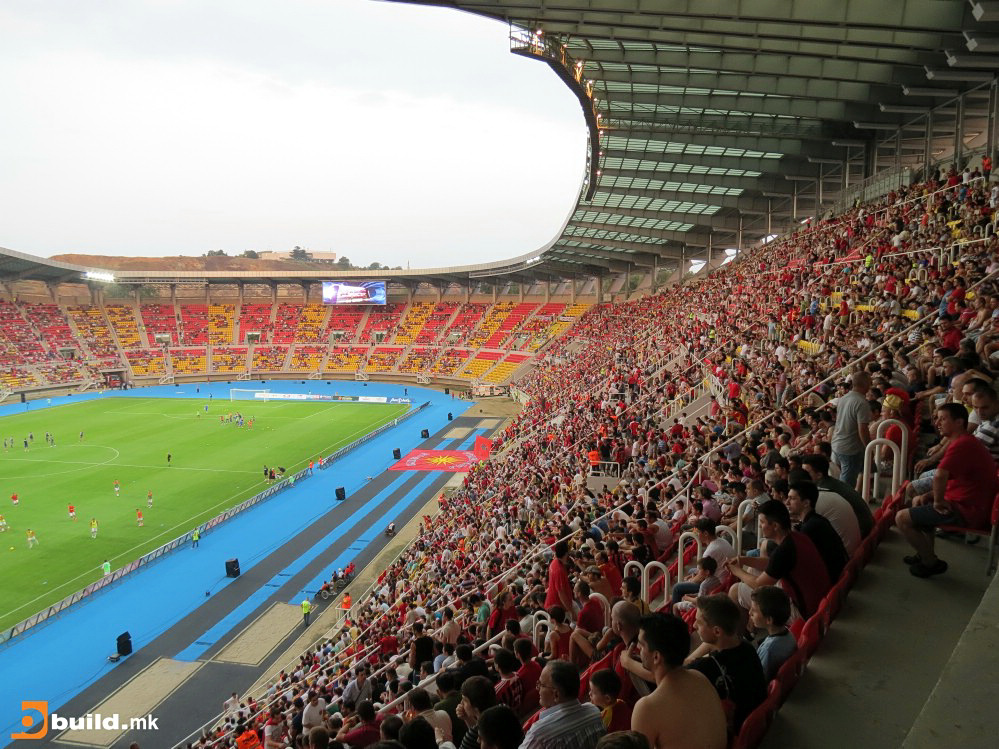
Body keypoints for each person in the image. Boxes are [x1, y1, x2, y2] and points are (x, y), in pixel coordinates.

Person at [897, 403, 999, 577]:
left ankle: (930, 563)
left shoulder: (963, 445)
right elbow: (954, 481)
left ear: (959, 422)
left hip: (968, 510)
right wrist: (930, 495)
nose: (937, 423)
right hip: (966, 501)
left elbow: (940, 476)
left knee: (901, 518)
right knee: (917, 500)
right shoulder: (964, 441)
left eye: (943, 419)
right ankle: (924, 553)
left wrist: (937, 501)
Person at [631, 613, 726, 749]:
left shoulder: (647, 708)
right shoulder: (700, 678)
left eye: (641, 645)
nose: (638, 649)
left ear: (656, 656)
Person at [726, 499, 830, 620]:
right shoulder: (796, 537)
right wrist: (743, 559)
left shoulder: (784, 550)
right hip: (817, 600)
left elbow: (758, 584)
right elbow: (771, 565)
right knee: (752, 570)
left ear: (775, 526)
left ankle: (740, 635)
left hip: (804, 611)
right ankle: (753, 622)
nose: (759, 525)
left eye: (762, 522)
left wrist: (737, 571)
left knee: (735, 591)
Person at [688, 595, 767, 733]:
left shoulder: (704, 668)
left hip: (729, 734)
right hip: (754, 727)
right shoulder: (747, 648)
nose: (694, 626)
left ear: (717, 631)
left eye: (698, 623)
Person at [520, 660, 605, 749]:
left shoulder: (539, 735)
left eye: (541, 684)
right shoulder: (595, 713)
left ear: (556, 694)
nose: (537, 688)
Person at [785, 481, 848, 581]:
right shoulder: (817, 520)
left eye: (792, 498)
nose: (786, 502)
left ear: (806, 503)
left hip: (828, 580)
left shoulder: (810, 527)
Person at [830, 371, 872, 486]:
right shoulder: (862, 403)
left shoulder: (843, 398)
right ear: (866, 383)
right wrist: (869, 447)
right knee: (847, 486)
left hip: (837, 444)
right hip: (849, 448)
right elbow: (862, 430)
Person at [749, 586, 797, 680]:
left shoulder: (768, 649)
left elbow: (760, 679)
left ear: (769, 620)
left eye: (753, 610)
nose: (749, 613)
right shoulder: (788, 632)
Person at [455, 675, 496, 749]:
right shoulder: (504, 710)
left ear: (476, 708)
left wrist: (442, 742)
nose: (461, 703)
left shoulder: (471, 737)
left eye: (464, 700)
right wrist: (466, 718)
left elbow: (475, 734)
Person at [587, 669, 632, 733]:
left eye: (593, 692)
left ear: (607, 698)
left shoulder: (603, 717)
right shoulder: (621, 702)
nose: (589, 693)